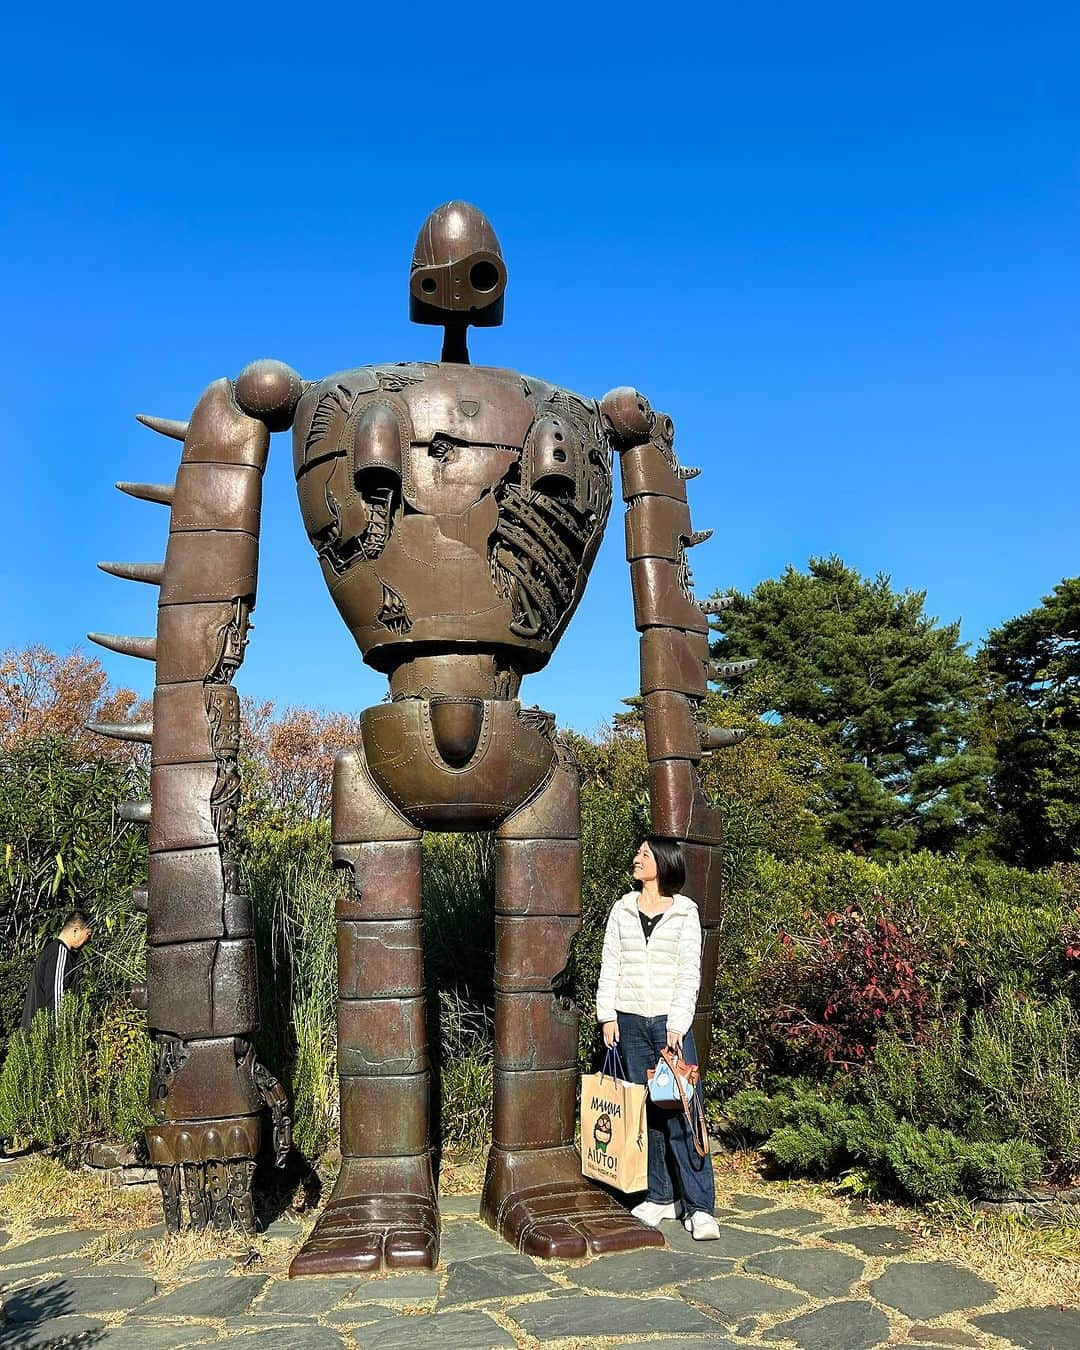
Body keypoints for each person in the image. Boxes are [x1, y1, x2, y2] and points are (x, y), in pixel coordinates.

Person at [595, 837, 720, 1240]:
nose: (637, 858)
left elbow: (689, 973)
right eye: (638, 853)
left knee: (684, 1111)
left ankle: (700, 1207)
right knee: (646, 1112)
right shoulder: (621, 909)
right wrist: (606, 1016)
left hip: (669, 1023)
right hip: (629, 1022)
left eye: (646, 854)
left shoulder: (686, 913)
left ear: (664, 863)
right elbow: (610, 964)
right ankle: (661, 1197)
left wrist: (678, 1023)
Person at [18, 909, 94, 1031]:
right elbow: (57, 998)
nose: (89, 940)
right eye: (88, 934)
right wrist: (61, 1035)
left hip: (41, 1037)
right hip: (46, 1038)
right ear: (76, 930)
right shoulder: (59, 954)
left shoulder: (54, 952)